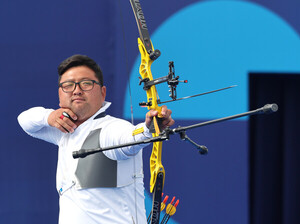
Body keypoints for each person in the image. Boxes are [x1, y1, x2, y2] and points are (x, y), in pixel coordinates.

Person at [17, 54, 174, 224]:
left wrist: (148, 129)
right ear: (60, 94)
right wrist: (49, 116)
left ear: (102, 93)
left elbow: (128, 138)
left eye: (86, 83)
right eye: (68, 85)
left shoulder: (111, 128)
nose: (77, 90)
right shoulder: (64, 131)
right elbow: (25, 120)